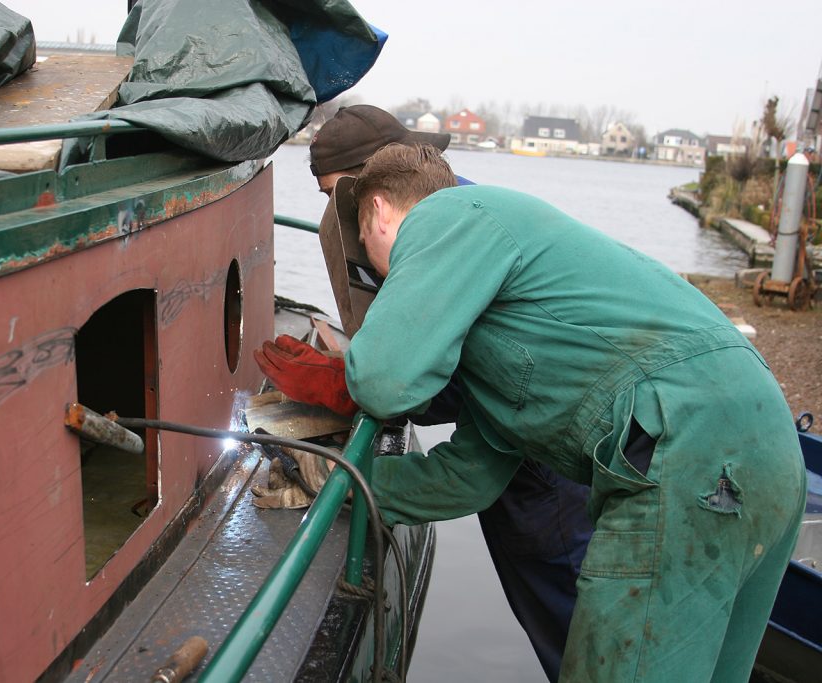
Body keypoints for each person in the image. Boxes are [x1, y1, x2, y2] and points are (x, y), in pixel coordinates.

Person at [338, 143, 804, 681]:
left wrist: (349, 364)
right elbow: (467, 481)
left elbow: (382, 381)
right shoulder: (518, 320)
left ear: (376, 211)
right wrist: (346, 481)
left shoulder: (448, 214)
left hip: (688, 456)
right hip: (767, 447)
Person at [263, 105, 594, 681]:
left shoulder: (445, 234)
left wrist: (343, 402)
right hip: (526, 432)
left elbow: (433, 402)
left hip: (550, 458)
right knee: (556, 624)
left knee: (579, 628)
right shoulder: (464, 211)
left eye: (338, 193)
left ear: (378, 192)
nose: (336, 215)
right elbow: (456, 374)